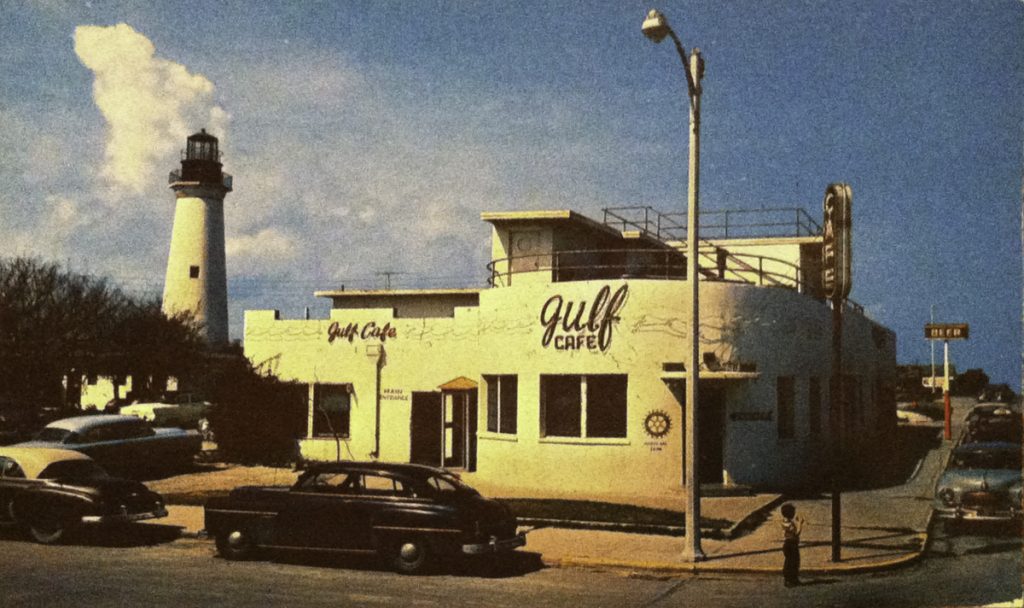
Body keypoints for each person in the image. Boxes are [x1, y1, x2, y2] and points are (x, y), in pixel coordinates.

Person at [780, 503, 804, 587]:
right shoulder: (789, 524)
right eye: (793, 512)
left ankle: (791, 579)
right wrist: (800, 523)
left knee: (789, 561)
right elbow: (797, 533)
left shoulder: (784, 521)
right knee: (794, 561)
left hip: (788, 544)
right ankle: (791, 579)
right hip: (792, 544)